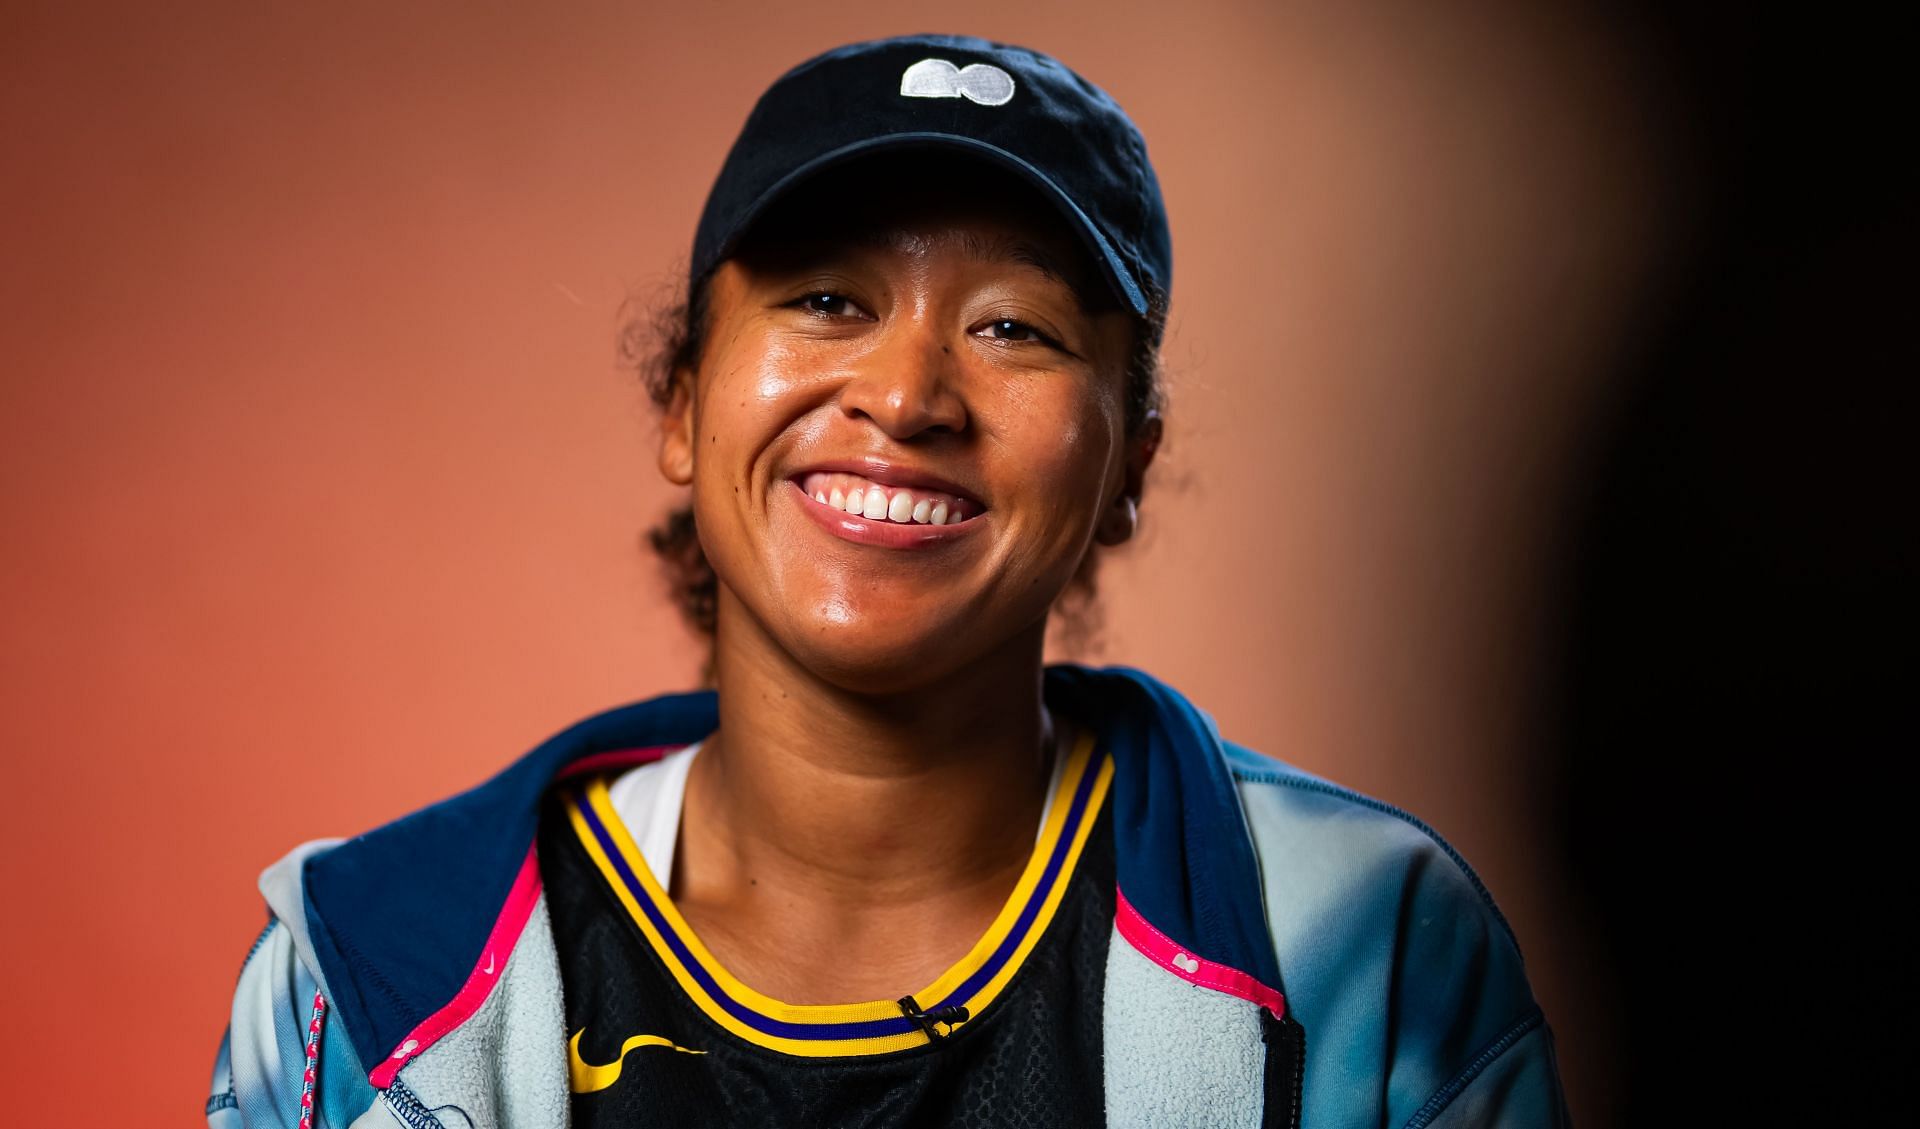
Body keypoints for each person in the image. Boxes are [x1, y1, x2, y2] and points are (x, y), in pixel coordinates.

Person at [207, 33, 1570, 1129]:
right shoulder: (365, 977)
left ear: (1127, 464)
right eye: (827, 300)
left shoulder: (1367, 945)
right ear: (683, 401)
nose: (909, 394)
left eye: (1012, 328)